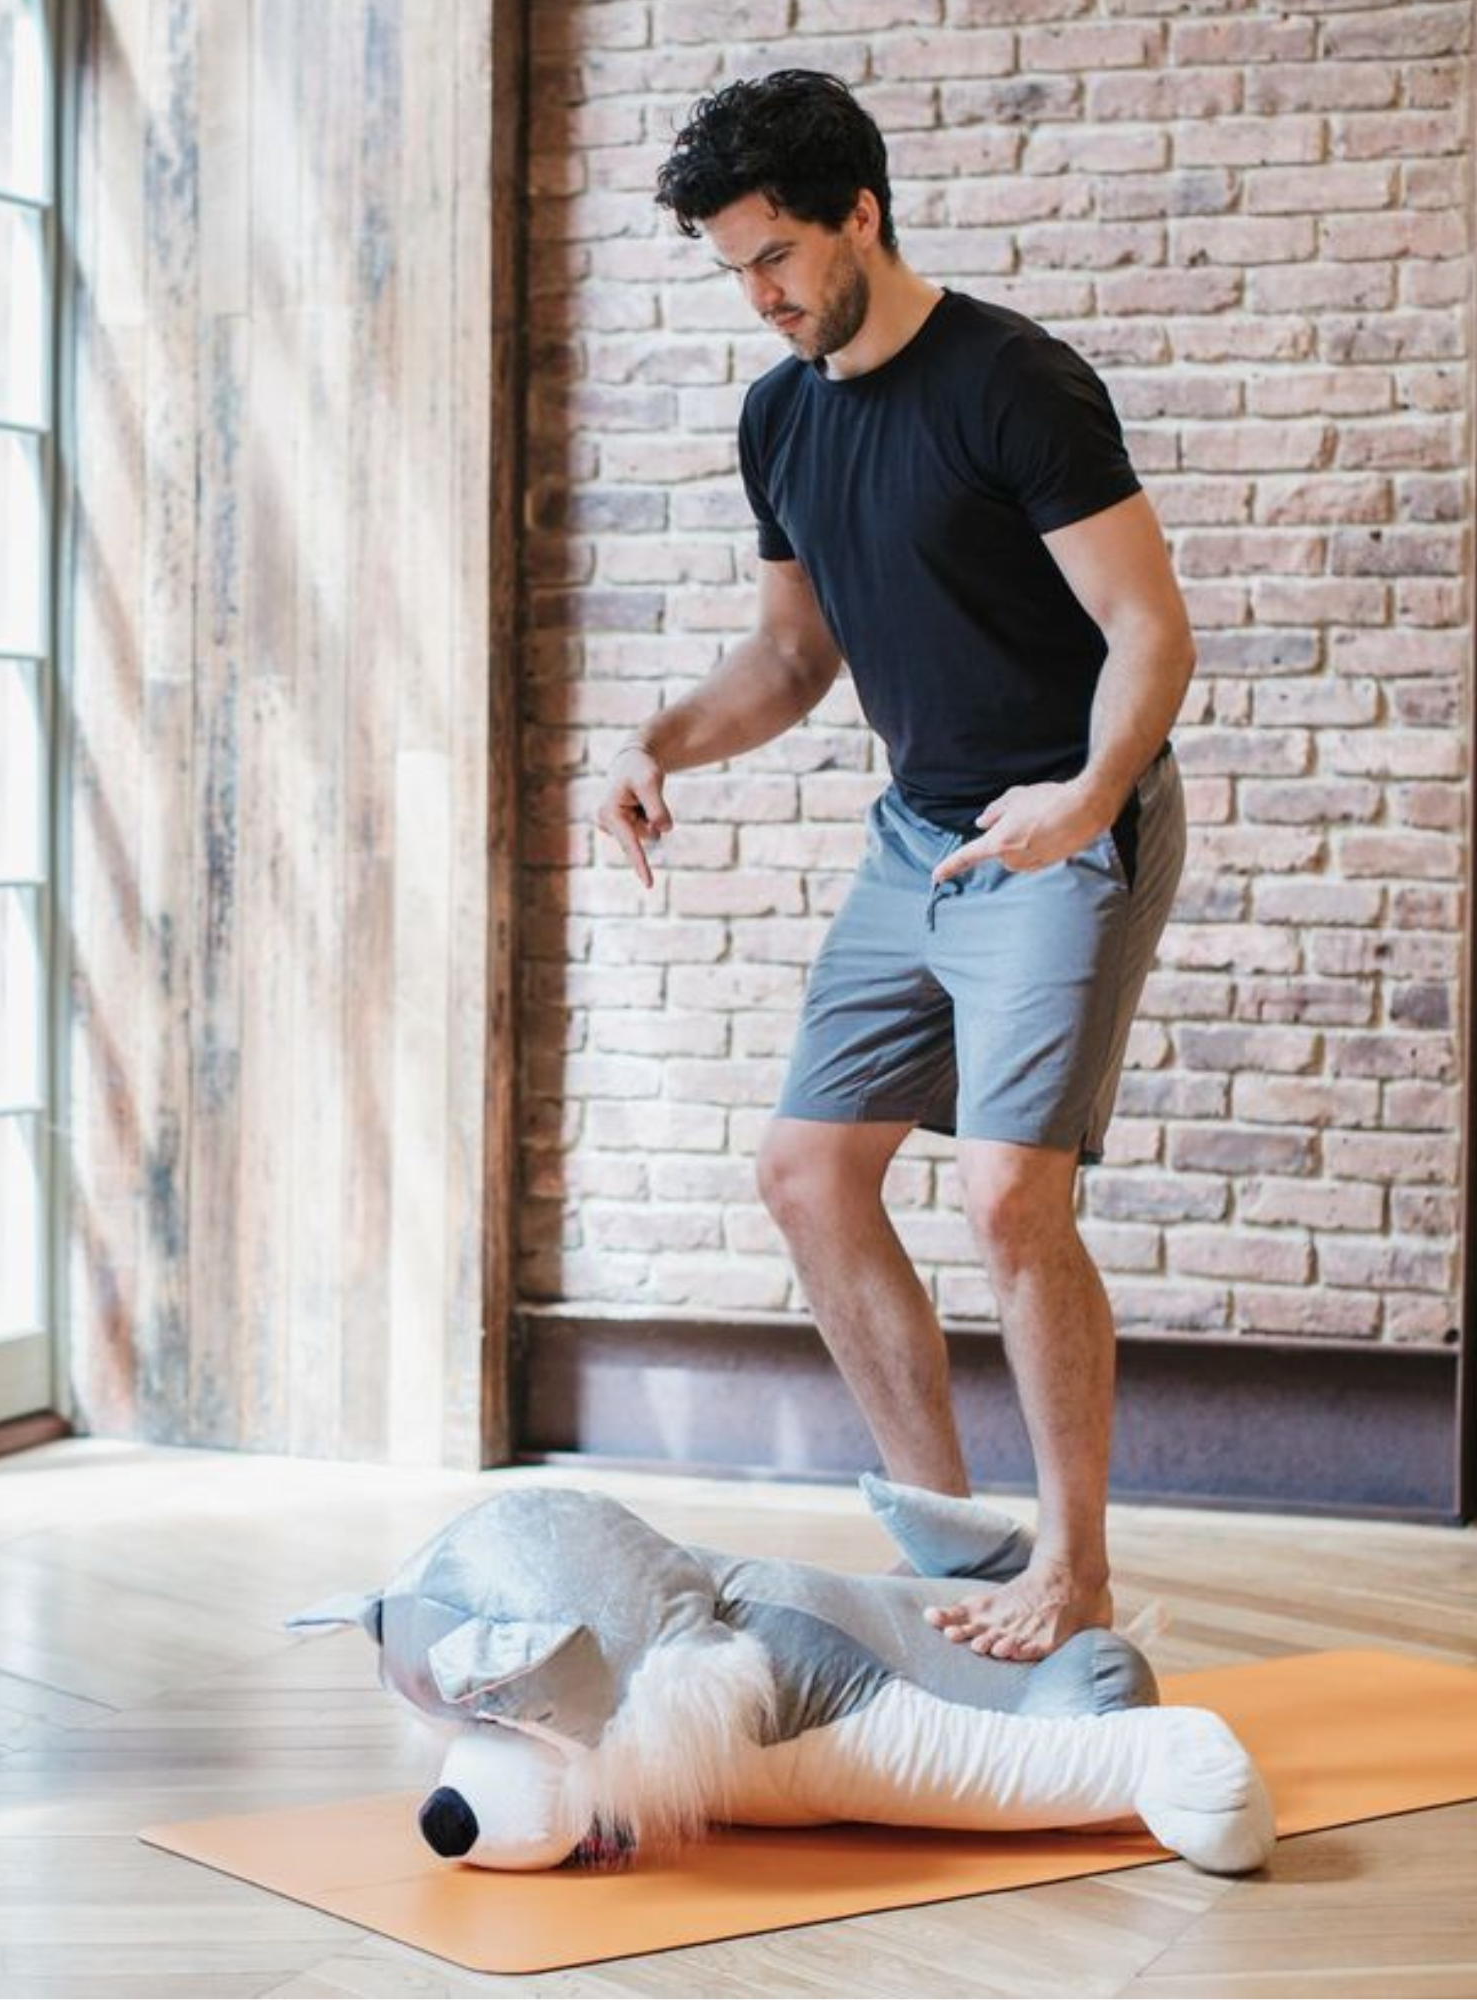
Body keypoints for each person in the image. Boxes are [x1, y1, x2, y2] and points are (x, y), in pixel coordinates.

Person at [594, 70, 1195, 1662]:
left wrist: (1085, 793)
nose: (760, 294)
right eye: (732, 266)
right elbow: (793, 663)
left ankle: (1073, 1571)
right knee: (805, 1174)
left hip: (1064, 828)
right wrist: (657, 739)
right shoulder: (779, 414)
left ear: (862, 211)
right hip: (919, 837)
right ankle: (951, 1546)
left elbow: (1151, 629)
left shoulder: (1016, 385)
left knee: (1009, 1197)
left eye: (777, 252)